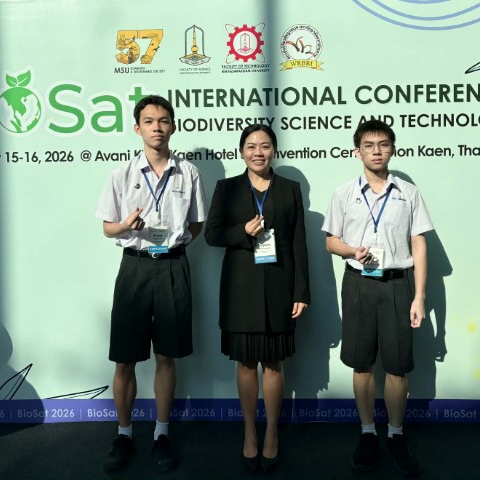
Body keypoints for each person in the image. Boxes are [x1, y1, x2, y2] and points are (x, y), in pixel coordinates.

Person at [95, 95, 206, 473]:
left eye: (163, 121)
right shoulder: (122, 174)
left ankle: (161, 432)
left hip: (173, 266)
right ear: (137, 127)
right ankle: (124, 433)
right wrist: (126, 226)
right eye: (149, 121)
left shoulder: (188, 173)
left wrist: (171, 242)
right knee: (124, 357)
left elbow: (196, 225)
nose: (157, 127)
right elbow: (107, 227)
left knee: (166, 355)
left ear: (173, 126)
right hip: (135, 268)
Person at [322, 119, 433, 476]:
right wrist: (352, 251)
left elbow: (419, 243)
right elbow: (331, 241)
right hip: (358, 284)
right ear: (357, 152)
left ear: (392, 149)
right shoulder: (343, 193)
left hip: (398, 285)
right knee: (361, 364)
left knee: (398, 367)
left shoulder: (408, 193)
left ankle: (396, 434)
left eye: (383, 144)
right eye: (368, 145)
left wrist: (419, 297)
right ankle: (368, 432)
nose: (376, 151)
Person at [204, 124, 310, 474]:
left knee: (274, 363)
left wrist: (301, 291)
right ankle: (250, 431)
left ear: (274, 150)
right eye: (251, 146)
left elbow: (299, 242)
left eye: (265, 146)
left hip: (280, 286)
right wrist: (243, 232)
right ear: (241, 152)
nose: (258, 152)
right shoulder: (227, 188)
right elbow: (212, 234)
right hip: (240, 289)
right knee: (246, 363)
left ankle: (272, 433)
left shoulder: (290, 189)